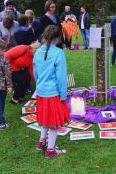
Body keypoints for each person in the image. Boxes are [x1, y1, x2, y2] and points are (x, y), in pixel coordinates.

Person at [33, 25, 70, 159]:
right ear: (57, 37)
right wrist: (63, 94)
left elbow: (36, 73)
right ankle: (50, 150)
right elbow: (61, 76)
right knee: (53, 122)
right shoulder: (59, 53)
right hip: (53, 93)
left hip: (41, 91)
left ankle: (41, 142)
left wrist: (40, 85)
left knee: (45, 118)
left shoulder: (37, 52)